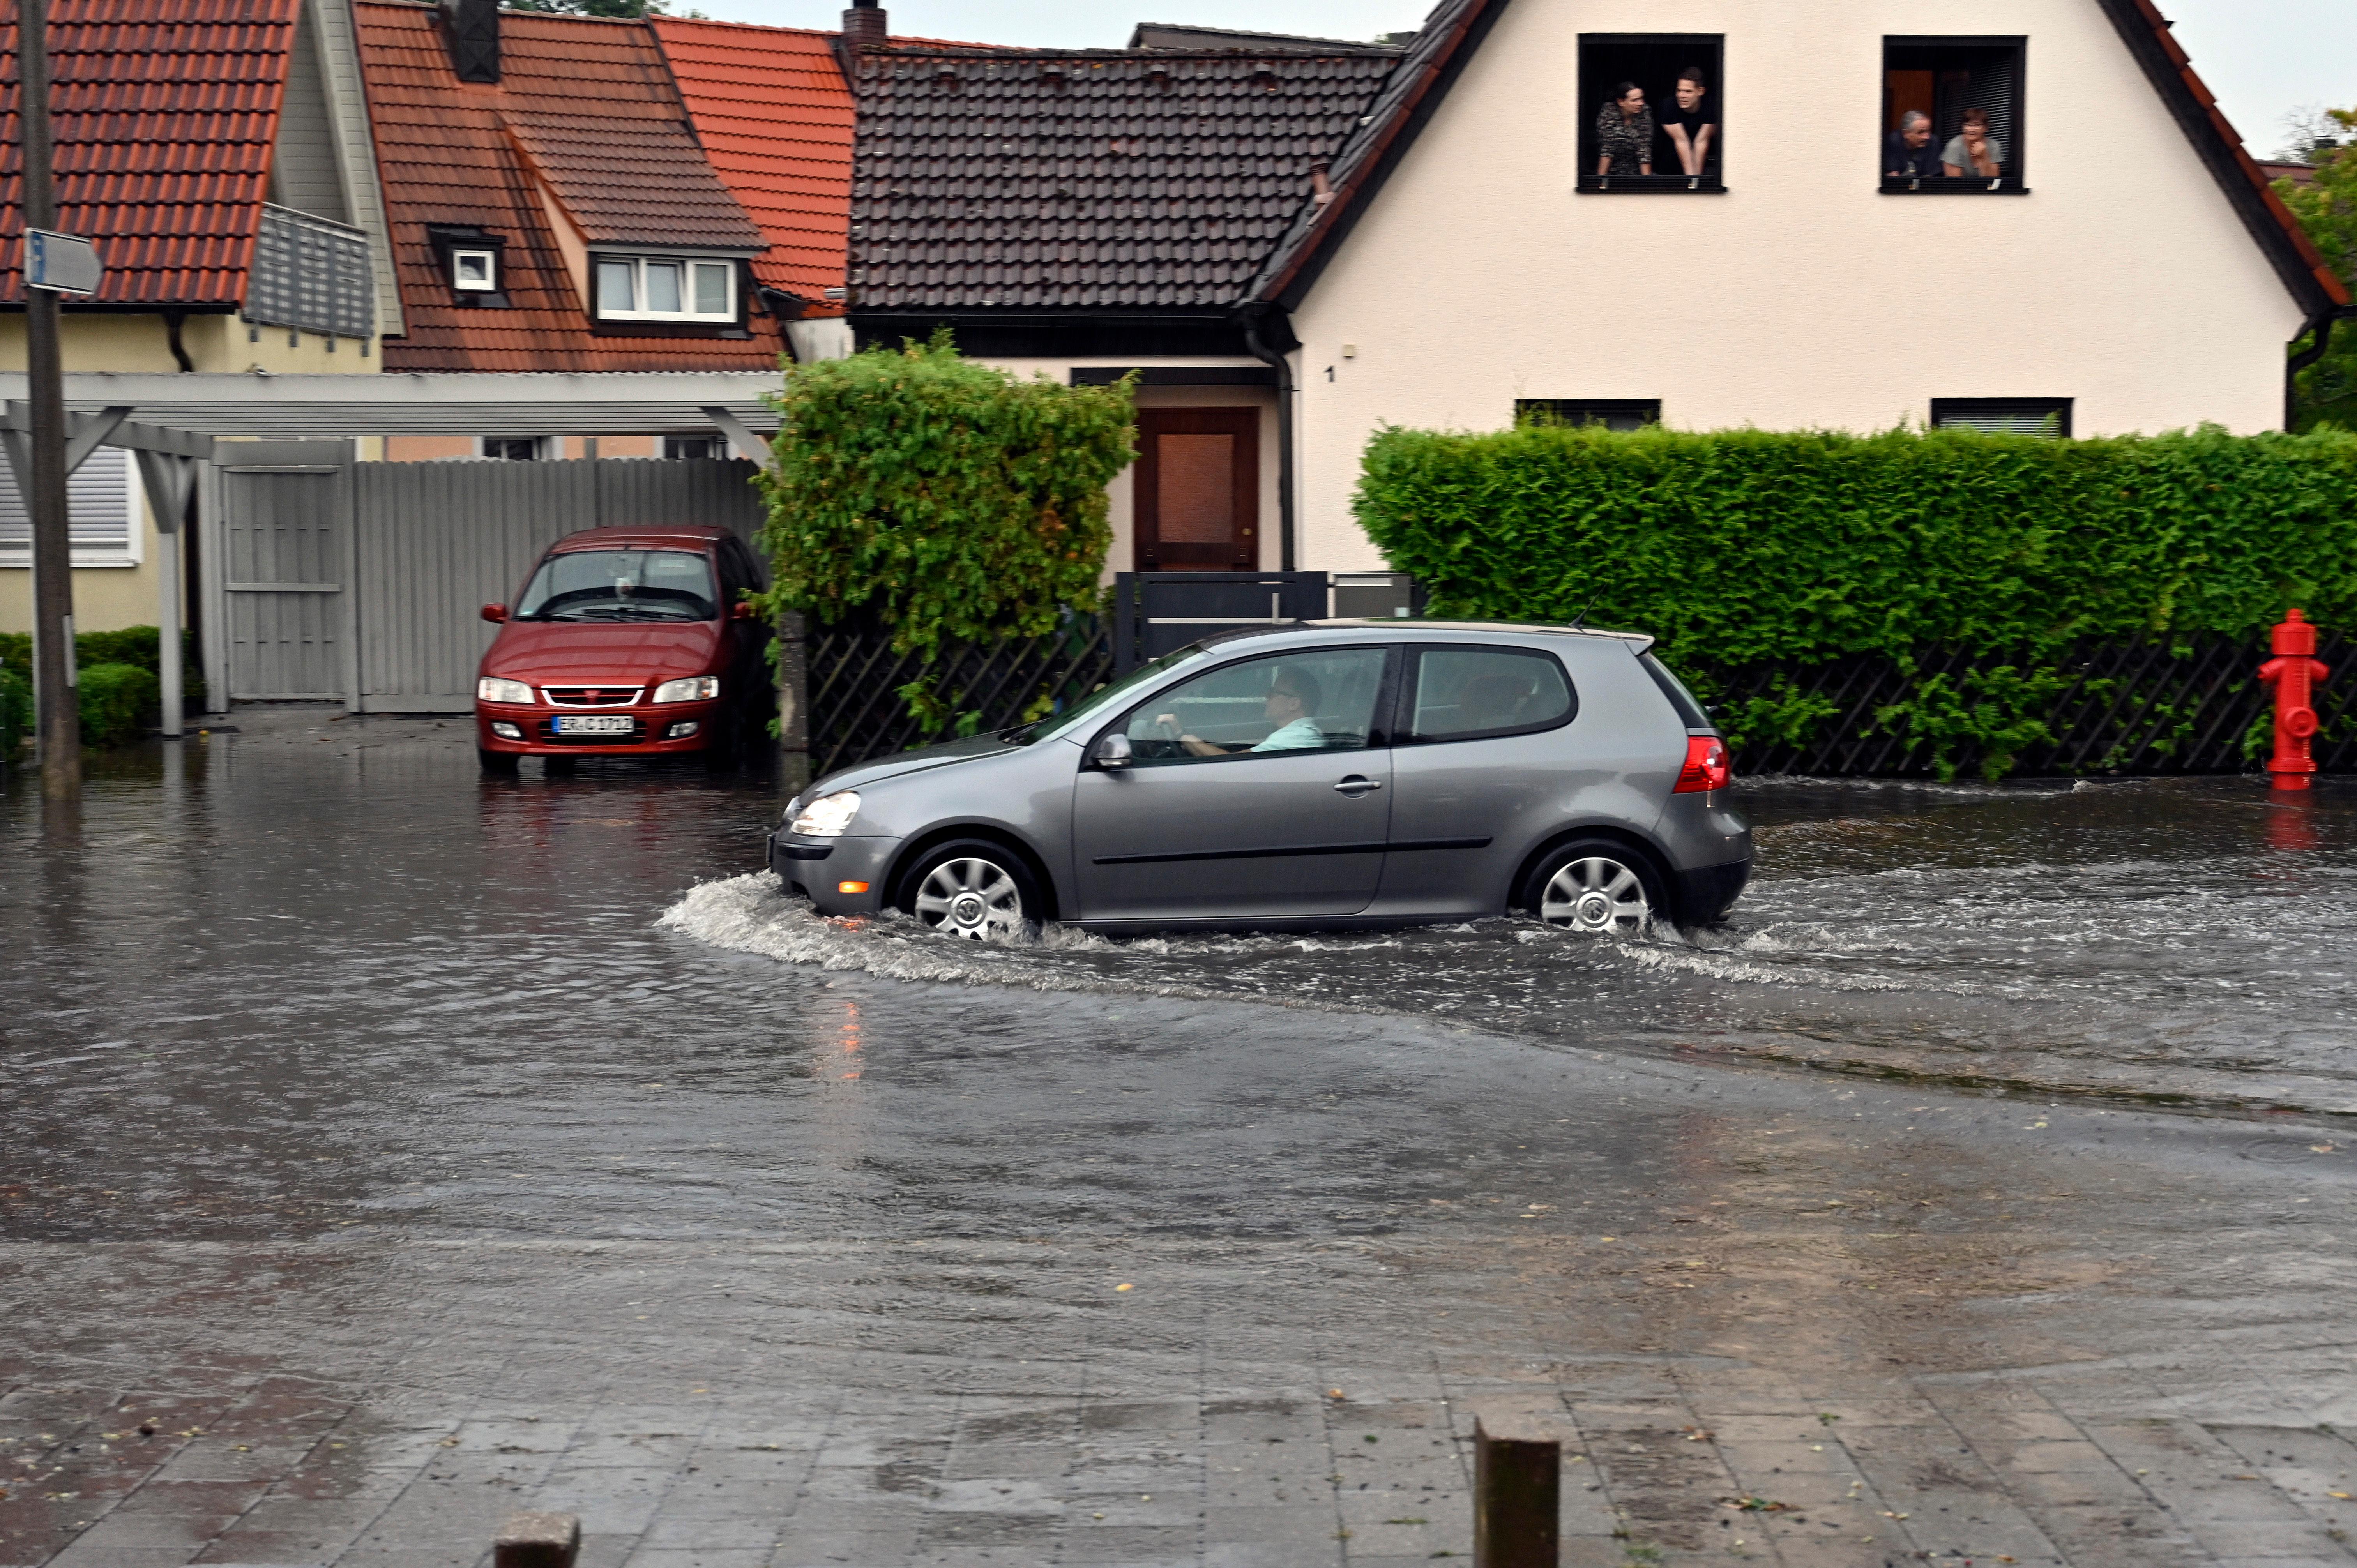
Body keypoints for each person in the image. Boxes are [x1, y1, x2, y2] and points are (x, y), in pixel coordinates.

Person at [1157, 667, 1324, 756]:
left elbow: (1228, 764)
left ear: (1294, 704)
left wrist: (1182, 736)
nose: (1266, 696)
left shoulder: (1295, 738)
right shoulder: (1297, 734)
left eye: (1274, 693)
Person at [1659, 66, 1715, 178]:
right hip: (1670, 163)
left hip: (1704, 161)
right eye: (1679, 91)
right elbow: (1682, 141)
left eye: (1688, 92)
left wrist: (1696, 181)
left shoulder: (1712, 106)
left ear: (1701, 91)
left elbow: (1701, 141)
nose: (1681, 96)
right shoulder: (1669, 105)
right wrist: (1690, 179)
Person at [1595, 82, 1654, 177]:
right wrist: (1600, 182)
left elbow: (1644, 149)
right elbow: (1607, 149)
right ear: (1621, 102)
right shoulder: (1608, 113)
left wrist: (1647, 182)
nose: (1641, 103)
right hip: (1612, 173)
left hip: (1636, 172)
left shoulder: (1645, 112)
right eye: (1635, 100)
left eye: (1641, 99)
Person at [1942, 108, 2004, 178]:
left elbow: (1993, 182)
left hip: (1985, 188)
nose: (1971, 129)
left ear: (1986, 128)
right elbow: (1954, 183)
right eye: (1967, 125)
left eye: (1977, 125)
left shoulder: (1994, 146)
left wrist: (1984, 157)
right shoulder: (1955, 146)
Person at [1883, 110, 1941, 178]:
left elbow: (1930, 176)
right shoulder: (1893, 141)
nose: (1927, 137)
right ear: (1906, 133)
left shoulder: (1933, 142)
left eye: (1929, 131)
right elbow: (1893, 175)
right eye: (1921, 132)